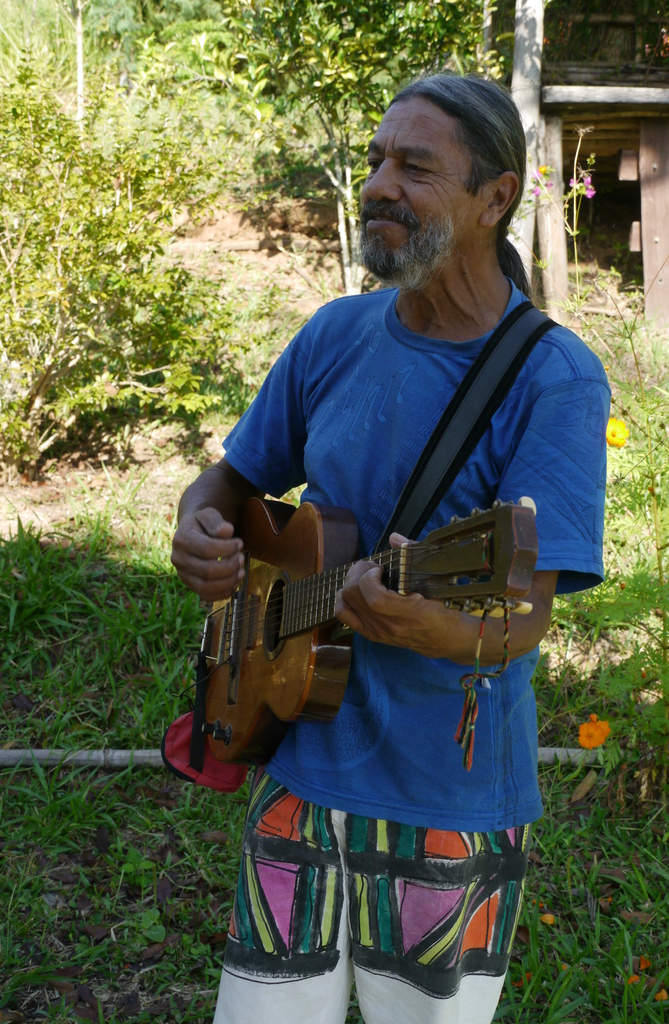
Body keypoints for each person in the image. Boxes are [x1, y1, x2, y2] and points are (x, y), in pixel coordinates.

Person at [171, 72, 610, 1024]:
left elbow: (519, 623)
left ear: (496, 197)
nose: (378, 184)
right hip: (298, 770)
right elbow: (232, 479)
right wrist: (197, 523)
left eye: (414, 166)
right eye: (375, 160)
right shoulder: (334, 333)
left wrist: (425, 625)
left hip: (443, 803)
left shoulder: (554, 380)